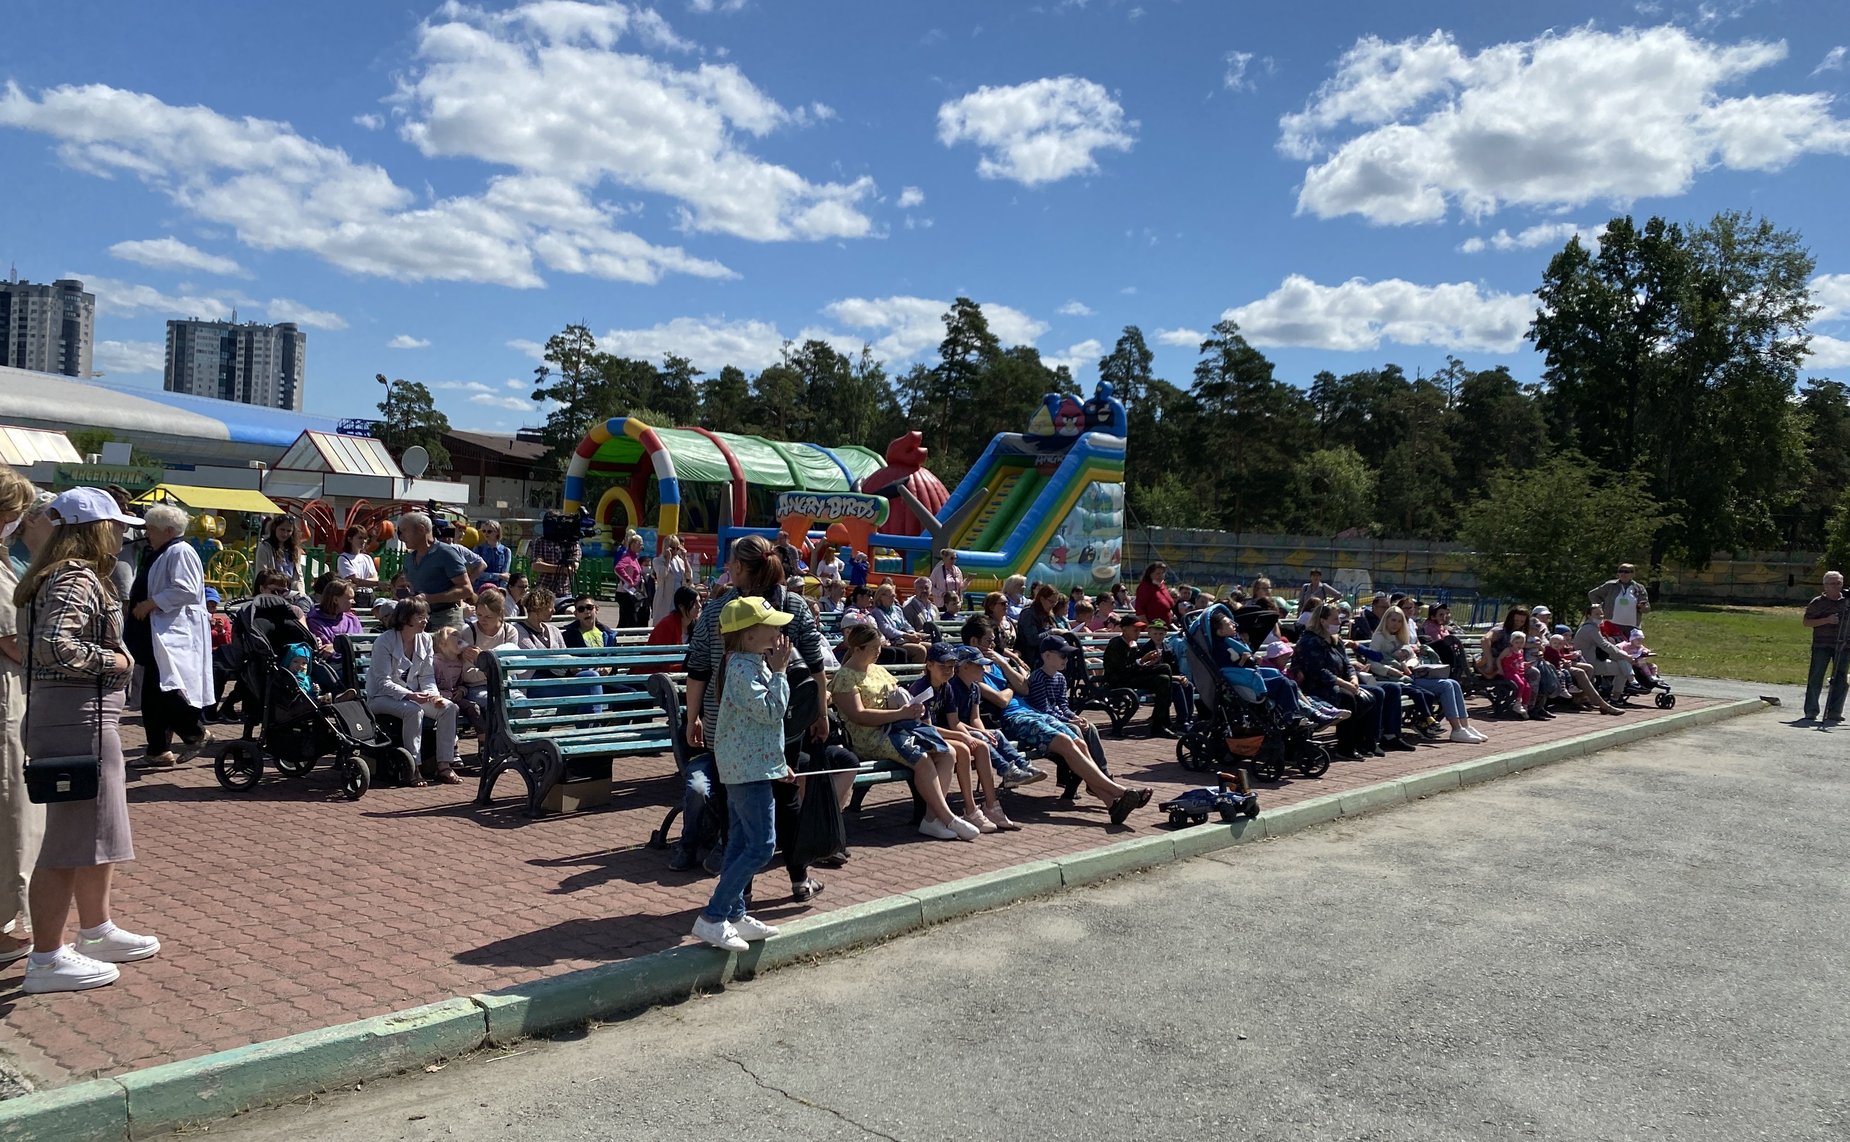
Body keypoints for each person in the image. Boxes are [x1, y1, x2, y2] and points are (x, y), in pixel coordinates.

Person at [15, 487, 161, 993]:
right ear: (95, 528)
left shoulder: (58, 574)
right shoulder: (74, 577)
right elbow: (56, 644)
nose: (123, 535)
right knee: (69, 840)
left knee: (96, 831)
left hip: (80, 715)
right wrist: (114, 662)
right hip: (76, 716)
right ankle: (48, 957)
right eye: (117, 526)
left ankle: (95, 930)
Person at [679, 535, 831, 876]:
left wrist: (693, 718)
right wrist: (820, 713)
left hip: (729, 729)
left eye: (732, 562)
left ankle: (739, 894)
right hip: (783, 723)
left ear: (742, 568)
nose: (727, 568)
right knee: (788, 799)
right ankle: (799, 878)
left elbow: (698, 667)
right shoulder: (793, 606)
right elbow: (816, 666)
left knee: (735, 809)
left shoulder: (719, 609)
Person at [689, 597, 797, 952]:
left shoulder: (750, 664)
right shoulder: (742, 669)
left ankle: (734, 914)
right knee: (762, 845)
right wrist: (781, 672)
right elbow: (770, 712)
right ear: (748, 636)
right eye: (771, 625)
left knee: (738, 842)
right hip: (745, 771)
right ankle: (713, 916)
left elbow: (759, 730)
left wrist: (777, 764)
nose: (778, 631)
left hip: (751, 766)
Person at [831, 624, 980, 841]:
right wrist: (900, 714)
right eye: (874, 648)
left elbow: (899, 698)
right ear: (857, 649)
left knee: (948, 753)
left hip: (897, 729)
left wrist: (913, 708)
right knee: (922, 758)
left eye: (879, 647)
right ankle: (948, 817)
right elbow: (859, 716)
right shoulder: (846, 677)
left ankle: (931, 820)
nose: (878, 652)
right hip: (869, 737)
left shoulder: (878, 670)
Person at [126, 504, 215, 768]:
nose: (148, 534)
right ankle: (158, 750)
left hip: (172, 631)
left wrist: (150, 603)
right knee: (152, 694)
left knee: (164, 690)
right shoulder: (161, 551)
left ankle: (195, 732)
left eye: (151, 529)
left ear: (167, 530)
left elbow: (186, 590)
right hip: (155, 630)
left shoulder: (180, 551)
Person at [0, 473, 43, 963]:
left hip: (14, 686)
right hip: (8, 689)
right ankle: (10, 920)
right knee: (13, 802)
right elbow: (12, 639)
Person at [364, 599, 461, 786]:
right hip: (380, 697)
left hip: (413, 696)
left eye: (427, 616)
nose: (425, 620)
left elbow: (427, 676)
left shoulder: (425, 640)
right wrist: (410, 695)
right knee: (413, 710)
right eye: (420, 616)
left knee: (449, 708)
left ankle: (444, 766)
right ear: (405, 617)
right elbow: (383, 682)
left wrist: (434, 696)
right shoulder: (384, 641)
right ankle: (413, 767)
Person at [1371, 605, 1486, 742]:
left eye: (1400, 621)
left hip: (1411, 674)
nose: (1396, 624)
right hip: (1396, 678)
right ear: (1386, 620)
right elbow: (1372, 662)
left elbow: (1413, 657)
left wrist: (1410, 664)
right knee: (1446, 686)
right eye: (1393, 620)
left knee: (1454, 683)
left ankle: (1465, 725)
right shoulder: (1379, 637)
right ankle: (1456, 729)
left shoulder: (1400, 638)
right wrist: (1391, 670)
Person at [1295, 603, 1390, 760]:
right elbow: (1319, 672)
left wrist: (1353, 678)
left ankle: (1367, 741)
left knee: (1377, 693)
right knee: (1348, 698)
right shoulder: (1309, 641)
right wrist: (1346, 684)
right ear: (1322, 621)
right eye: (1334, 620)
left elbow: (1347, 664)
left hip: (1340, 683)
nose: (1338, 624)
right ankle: (1346, 747)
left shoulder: (1336, 641)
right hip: (1318, 687)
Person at [1101, 618, 1184, 738]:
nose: (1138, 632)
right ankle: (1162, 723)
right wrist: (1142, 661)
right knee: (1164, 677)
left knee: (1165, 673)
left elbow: (1135, 667)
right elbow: (1122, 670)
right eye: (1135, 630)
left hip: (1130, 676)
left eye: (1139, 630)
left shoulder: (1132, 644)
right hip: (1118, 680)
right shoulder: (1117, 643)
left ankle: (1160, 723)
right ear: (1124, 629)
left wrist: (1148, 663)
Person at [397, 512, 474, 631]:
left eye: (404, 531)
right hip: (418, 621)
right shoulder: (408, 559)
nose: (401, 537)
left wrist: (430, 598)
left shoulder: (446, 553)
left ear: (421, 529)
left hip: (446, 622)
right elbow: (411, 588)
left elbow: (466, 590)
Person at [1801, 570, 1848, 725]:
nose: (1836, 586)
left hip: (1843, 646)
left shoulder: (1847, 602)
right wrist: (1826, 620)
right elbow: (1807, 622)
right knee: (1816, 677)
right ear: (1825, 585)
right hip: (1822, 645)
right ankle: (1811, 711)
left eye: (1838, 583)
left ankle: (1835, 712)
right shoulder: (1817, 602)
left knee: (1840, 679)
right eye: (1832, 584)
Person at [304, 577, 361, 695]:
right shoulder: (314, 621)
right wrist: (339, 648)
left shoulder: (352, 619)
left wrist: (335, 647)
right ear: (335, 599)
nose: (353, 602)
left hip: (358, 663)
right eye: (350, 598)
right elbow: (325, 651)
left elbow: (363, 644)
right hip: (335, 667)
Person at [1573, 605, 1636, 700]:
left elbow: (1606, 644)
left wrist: (1621, 654)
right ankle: (1617, 696)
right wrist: (1624, 655)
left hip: (1592, 659)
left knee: (1622, 662)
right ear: (1589, 615)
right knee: (1622, 669)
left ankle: (1622, 689)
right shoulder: (1590, 629)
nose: (1600, 616)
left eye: (1601, 613)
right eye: (1596, 614)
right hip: (1590, 662)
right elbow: (1604, 645)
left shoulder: (1590, 627)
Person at [868, 581, 928, 663]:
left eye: (894, 596)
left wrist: (912, 633)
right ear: (881, 597)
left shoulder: (897, 609)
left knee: (930, 647)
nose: (894, 599)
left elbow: (905, 623)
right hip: (893, 642)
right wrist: (906, 635)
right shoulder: (877, 612)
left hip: (906, 638)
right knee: (920, 650)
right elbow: (886, 629)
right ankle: (914, 674)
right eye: (891, 596)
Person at [527, 511, 580, 601]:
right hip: (543, 590)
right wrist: (562, 569)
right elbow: (536, 566)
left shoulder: (572, 543)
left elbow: (573, 568)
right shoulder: (540, 541)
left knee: (570, 612)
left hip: (564, 592)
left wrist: (547, 566)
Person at [1587, 563, 1649, 630]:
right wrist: (1599, 607)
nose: (1623, 574)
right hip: (1611, 623)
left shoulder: (1639, 588)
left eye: (1626, 572)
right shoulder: (1610, 585)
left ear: (1633, 574)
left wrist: (1642, 607)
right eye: (1620, 571)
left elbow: (1646, 608)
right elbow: (1592, 594)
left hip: (1632, 625)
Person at [253, 515, 304, 593]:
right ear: (274, 528)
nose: (285, 534)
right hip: (273, 590)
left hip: (292, 591)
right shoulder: (264, 547)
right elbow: (262, 573)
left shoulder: (294, 549)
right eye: (282, 529)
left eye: (289, 531)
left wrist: (302, 593)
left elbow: (299, 575)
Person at [650, 534, 694, 626]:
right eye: (672, 548)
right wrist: (667, 559)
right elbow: (662, 576)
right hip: (664, 597)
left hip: (678, 597)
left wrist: (685, 558)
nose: (675, 551)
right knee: (662, 624)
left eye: (677, 548)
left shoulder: (680, 561)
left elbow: (689, 577)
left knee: (677, 624)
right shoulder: (658, 561)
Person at [612, 532, 645, 629]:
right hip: (624, 593)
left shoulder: (634, 557)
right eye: (640, 544)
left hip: (629, 593)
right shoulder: (627, 557)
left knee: (624, 621)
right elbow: (618, 568)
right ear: (633, 544)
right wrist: (629, 581)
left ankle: (616, 641)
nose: (641, 547)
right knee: (631, 620)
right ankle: (630, 641)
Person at [336, 526, 380, 595]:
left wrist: (364, 582)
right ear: (350, 539)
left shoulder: (367, 558)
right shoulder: (343, 559)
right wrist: (374, 583)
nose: (363, 541)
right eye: (360, 538)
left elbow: (375, 578)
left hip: (370, 594)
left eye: (365, 538)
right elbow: (355, 581)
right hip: (354, 595)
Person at [471, 520, 511, 592]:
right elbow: (477, 575)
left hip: (498, 589)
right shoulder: (478, 549)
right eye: (484, 531)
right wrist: (498, 576)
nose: (486, 533)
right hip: (480, 589)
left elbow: (505, 576)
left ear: (497, 532)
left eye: (489, 531)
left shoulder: (506, 551)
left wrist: (501, 591)